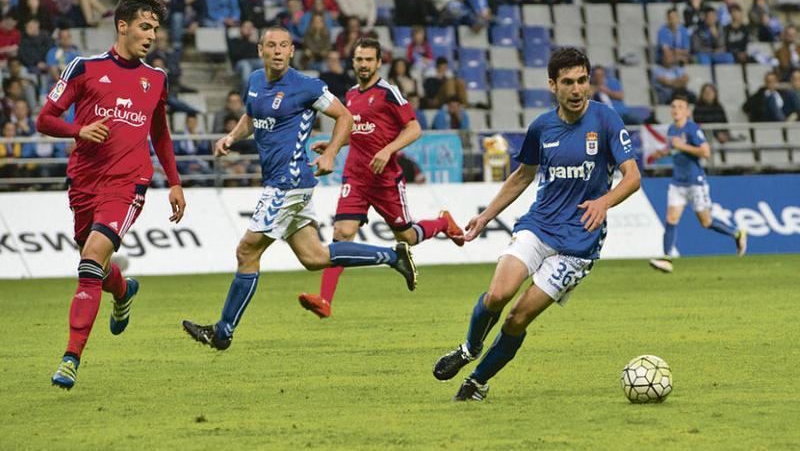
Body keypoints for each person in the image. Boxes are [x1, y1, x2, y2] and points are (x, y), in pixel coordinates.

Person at [181, 27, 417, 350]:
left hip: (288, 182)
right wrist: (231, 138)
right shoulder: (254, 82)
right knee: (314, 256)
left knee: (246, 251)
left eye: (284, 46)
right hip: (282, 182)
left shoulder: (305, 86)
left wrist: (333, 152)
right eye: (271, 45)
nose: (277, 51)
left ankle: (223, 331)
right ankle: (392, 257)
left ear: (292, 51)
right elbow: (251, 117)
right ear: (260, 49)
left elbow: (345, 117)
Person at [431, 47, 642, 401]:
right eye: (568, 83)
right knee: (498, 294)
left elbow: (632, 176)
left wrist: (605, 201)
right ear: (552, 85)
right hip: (539, 226)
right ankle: (469, 348)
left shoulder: (606, 120)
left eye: (582, 81)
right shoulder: (542, 127)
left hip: (578, 245)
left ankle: (477, 383)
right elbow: (522, 175)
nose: (577, 90)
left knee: (517, 318)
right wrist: (485, 217)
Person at [36, 0, 186, 390]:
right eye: (145, 27)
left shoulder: (155, 79)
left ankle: (70, 358)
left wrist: (173, 181)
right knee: (96, 265)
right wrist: (78, 130)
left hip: (128, 183)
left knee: (88, 264)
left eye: (155, 29)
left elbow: (160, 133)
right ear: (122, 26)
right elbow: (44, 119)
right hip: (84, 182)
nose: (152, 35)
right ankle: (123, 289)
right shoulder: (84, 68)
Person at [297, 37, 465, 318]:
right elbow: (359, 132)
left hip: (385, 180)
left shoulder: (389, 92)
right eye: (359, 59)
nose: (363, 64)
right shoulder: (350, 95)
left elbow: (414, 129)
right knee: (341, 235)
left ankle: (443, 222)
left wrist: (388, 150)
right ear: (353, 62)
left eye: (368, 60)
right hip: (356, 177)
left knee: (407, 236)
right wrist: (333, 145)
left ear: (378, 62)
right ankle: (325, 300)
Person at [649, 94, 747, 273]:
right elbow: (675, 151)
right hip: (678, 182)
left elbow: (706, 152)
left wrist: (682, 147)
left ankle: (736, 233)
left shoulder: (693, 129)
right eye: (673, 106)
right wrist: (663, 153)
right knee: (671, 219)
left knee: (706, 222)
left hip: (695, 182)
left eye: (679, 107)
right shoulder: (671, 129)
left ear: (687, 111)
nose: (675, 110)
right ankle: (667, 258)